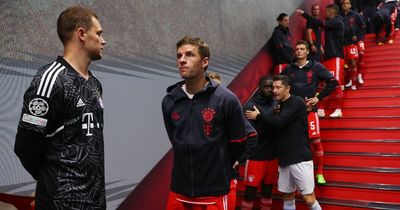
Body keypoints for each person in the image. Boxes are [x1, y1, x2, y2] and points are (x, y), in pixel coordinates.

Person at [14, 6, 106, 209]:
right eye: (98, 33)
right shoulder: (50, 80)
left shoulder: (94, 84)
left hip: (94, 202)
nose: (103, 40)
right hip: (61, 202)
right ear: (81, 34)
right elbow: (26, 144)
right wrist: (48, 184)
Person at [162, 36, 257, 210]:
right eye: (179, 56)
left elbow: (239, 144)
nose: (182, 60)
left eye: (189, 55)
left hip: (214, 193)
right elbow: (176, 141)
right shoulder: (169, 101)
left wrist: (219, 166)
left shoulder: (226, 100)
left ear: (205, 62)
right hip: (179, 190)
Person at [246, 75, 322, 210]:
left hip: (300, 159)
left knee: (309, 199)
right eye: (273, 87)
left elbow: (279, 122)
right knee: (287, 196)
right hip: (284, 160)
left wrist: (259, 116)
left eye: (278, 87)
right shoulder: (280, 105)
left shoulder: (296, 102)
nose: (274, 90)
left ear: (288, 88)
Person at [282, 40, 339, 185]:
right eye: (297, 49)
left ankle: (319, 172)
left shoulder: (317, 67)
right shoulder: (289, 69)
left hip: (310, 111)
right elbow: (279, 85)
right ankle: (292, 173)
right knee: (292, 142)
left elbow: (333, 82)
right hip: (293, 113)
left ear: (307, 51)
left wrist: (318, 97)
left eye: (302, 49)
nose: (299, 51)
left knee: (315, 142)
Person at [298, 4, 345, 118]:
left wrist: (304, 15)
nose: (325, 13)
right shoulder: (332, 23)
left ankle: (338, 110)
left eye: (327, 11)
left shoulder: (337, 21)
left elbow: (319, 22)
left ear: (332, 12)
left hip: (336, 57)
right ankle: (322, 109)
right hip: (328, 57)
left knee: (336, 83)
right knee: (325, 83)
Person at [242, 77, 278, 210]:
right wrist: (271, 119)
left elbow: (278, 127)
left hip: (272, 156)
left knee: (267, 192)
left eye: (272, 87)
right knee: (249, 193)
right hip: (255, 156)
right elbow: (255, 133)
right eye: (266, 86)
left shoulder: (276, 103)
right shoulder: (250, 105)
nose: (270, 89)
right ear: (259, 86)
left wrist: (260, 117)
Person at [341, 0, 366, 90]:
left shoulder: (356, 15)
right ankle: (351, 80)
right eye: (343, 3)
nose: (345, 5)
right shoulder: (340, 17)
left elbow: (363, 27)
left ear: (350, 5)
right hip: (346, 43)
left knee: (360, 55)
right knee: (346, 63)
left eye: (347, 3)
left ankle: (359, 75)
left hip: (357, 41)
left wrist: (358, 37)